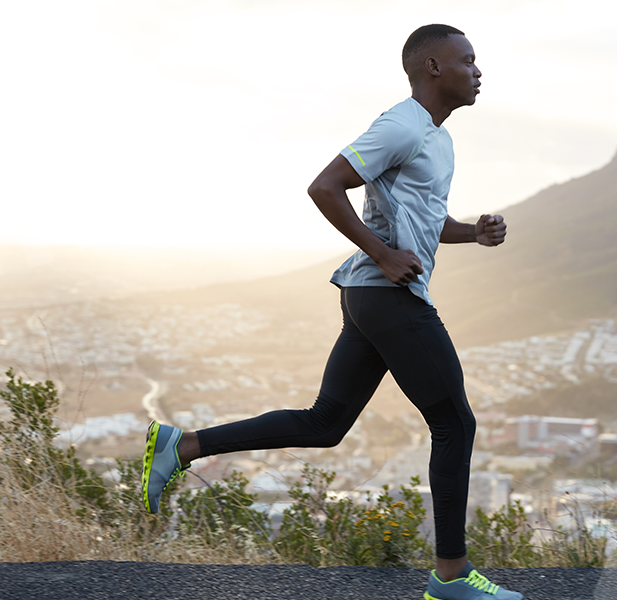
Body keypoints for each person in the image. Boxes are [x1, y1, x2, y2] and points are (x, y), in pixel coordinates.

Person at [142, 24, 522, 600]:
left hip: (373, 295)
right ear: (433, 68)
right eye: (467, 60)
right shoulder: (400, 124)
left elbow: (424, 220)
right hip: (386, 295)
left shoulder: (438, 139)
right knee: (455, 424)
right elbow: (325, 186)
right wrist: (383, 254)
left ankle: (183, 445)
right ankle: (450, 577)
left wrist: (474, 232)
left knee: (326, 423)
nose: (478, 70)